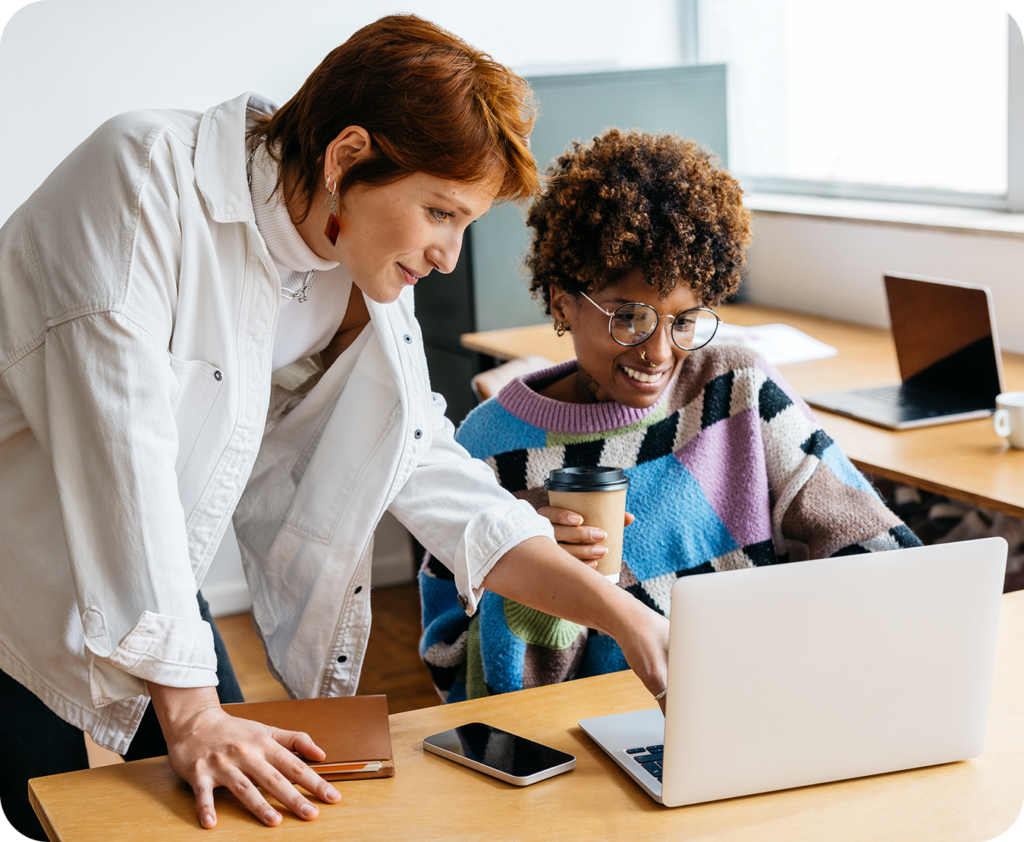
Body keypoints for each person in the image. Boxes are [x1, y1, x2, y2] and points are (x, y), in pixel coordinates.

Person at [0, 17, 669, 839]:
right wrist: (194, 716)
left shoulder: (355, 252)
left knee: (249, 807)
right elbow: (122, 456)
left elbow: (421, 460)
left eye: (466, 223)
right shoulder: (138, 180)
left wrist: (625, 616)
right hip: (15, 578)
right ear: (347, 156)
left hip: (153, 566)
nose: (449, 256)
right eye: (441, 213)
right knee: (42, 807)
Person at [419, 128, 921, 702]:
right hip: (588, 739)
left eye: (684, 319)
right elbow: (450, 665)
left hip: (760, 699)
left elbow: (878, 548)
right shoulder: (488, 445)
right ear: (562, 300)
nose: (658, 352)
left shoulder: (737, 389)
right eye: (629, 317)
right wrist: (532, 578)